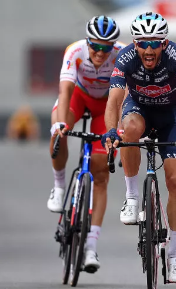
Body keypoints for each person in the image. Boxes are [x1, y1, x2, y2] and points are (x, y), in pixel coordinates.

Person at [102, 12, 176, 284]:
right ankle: (132, 197)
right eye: (142, 43)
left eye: (155, 43)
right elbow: (114, 101)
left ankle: (175, 255)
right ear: (134, 44)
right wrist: (111, 131)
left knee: (175, 180)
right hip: (139, 110)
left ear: (165, 44)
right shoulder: (126, 58)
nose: (148, 49)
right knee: (127, 131)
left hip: (172, 117)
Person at [47, 15, 124, 273]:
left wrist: (119, 131)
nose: (100, 52)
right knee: (59, 132)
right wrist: (60, 124)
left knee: (101, 172)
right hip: (79, 97)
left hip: (107, 107)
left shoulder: (122, 55)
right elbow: (64, 91)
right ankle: (59, 187)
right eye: (95, 46)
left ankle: (91, 246)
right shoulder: (75, 51)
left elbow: (124, 99)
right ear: (87, 42)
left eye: (106, 47)